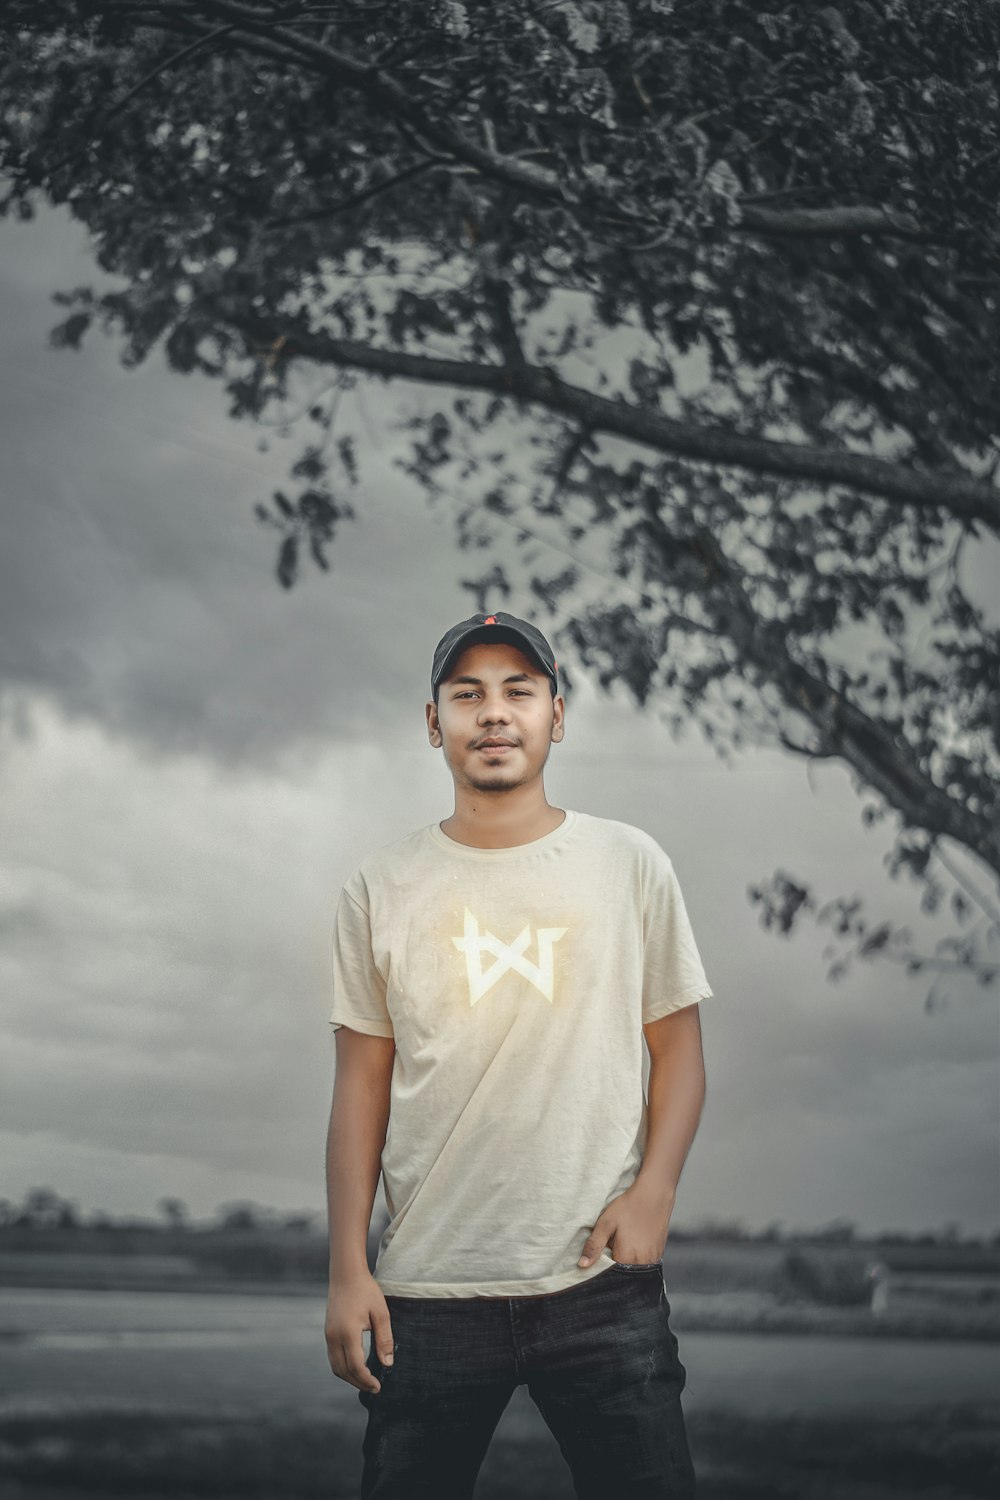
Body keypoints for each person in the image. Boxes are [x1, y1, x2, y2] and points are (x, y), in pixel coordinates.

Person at [324, 609, 713, 1499]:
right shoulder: (379, 888)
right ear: (435, 724)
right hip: (425, 1292)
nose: (493, 713)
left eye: (518, 691)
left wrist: (654, 1192)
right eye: (467, 695)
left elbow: (680, 1049)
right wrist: (350, 1266)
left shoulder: (628, 863)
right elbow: (359, 1089)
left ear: (556, 715)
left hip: (600, 1285)